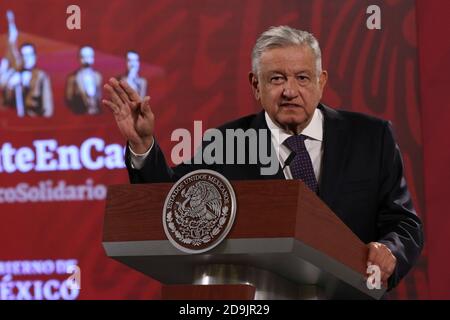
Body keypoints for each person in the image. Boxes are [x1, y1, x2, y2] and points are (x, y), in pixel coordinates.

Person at [103, 26, 423, 291]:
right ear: (255, 85)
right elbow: (173, 202)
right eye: (276, 79)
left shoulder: (371, 137)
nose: (290, 91)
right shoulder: (226, 143)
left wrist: (391, 250)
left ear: (321, 82)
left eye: (302, 77)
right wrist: (144, 145)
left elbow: (403, 221)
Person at [66, 46, 102, 115]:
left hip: (96, 115)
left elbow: (99, 96)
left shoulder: (97, 76)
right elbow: (69, 98)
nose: (86, 60)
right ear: (79, 58)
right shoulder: (73, 78)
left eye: (89, 56)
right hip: (80, 115)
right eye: (83, 57)